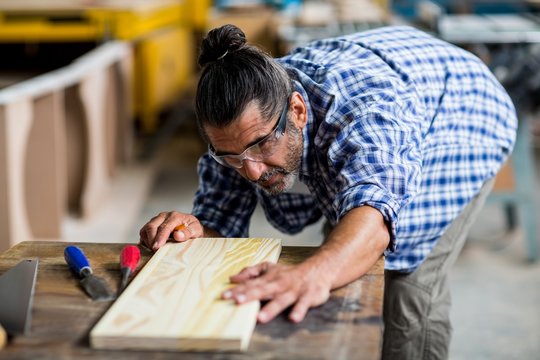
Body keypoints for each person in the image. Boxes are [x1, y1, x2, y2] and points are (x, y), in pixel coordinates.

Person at [140, 24, 517, 359]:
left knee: (406, 284)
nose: (251, 170)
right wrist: (194, 228)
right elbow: (219, 221)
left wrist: (316, 273)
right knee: (337, 261)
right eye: (230, 157)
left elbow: (374, 213)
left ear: (298, 111)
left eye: (260, 146)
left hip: (461, 114)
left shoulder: (365, 113)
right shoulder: (241, 127)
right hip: (402, 84)